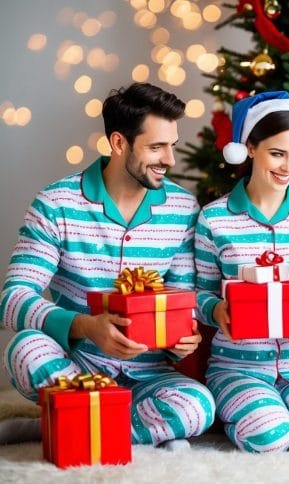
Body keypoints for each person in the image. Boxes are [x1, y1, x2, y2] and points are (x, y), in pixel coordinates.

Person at [0, 82, 215, 450]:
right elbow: (12, 300)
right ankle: (130, 428)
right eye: (156, 147)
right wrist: (86, 327)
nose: (170, 159)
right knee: (25, 349)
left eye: (172, 146)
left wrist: (183, 339)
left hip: (149, 374)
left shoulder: (182, 209)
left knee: (199, 407)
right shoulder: (57, 203)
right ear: (119, 143)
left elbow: (183, 298)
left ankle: (66, 423)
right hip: (76, 367)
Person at [195, 90, 289, 453]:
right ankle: (248, 412)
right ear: (249, 148)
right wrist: (218, 310)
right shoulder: (214, 218)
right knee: (270, 436)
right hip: (237, 366)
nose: (288, 167)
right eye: (277, 153)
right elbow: (199, 296)